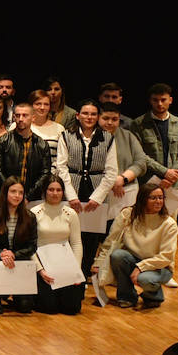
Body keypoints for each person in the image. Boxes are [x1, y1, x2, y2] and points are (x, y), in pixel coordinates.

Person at [97, 180, 178, 308]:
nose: (158, 201)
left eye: (161, 198)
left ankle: (153, 296)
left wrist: (140, 267)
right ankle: (127, 297)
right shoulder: (128, 214)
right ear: (143, 199)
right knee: (117, 256)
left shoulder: (169, 224)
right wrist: (98, 263)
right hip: (133, 259)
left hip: (160, 266)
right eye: (153, 198)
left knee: (145, 279)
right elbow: (111, 240)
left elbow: (166, 257)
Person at [58, 99, 117, 275]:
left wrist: (97, 198)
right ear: (78, 116)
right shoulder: (66, 136)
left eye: (93, 114)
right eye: (85, 113)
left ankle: (83, 275)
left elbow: (112, 172)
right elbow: (61, 167)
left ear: (98, 117)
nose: (89, 117)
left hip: (95, 193)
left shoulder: (107, 138)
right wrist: (71, 196)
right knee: (69, 234)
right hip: (72, 190)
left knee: (91, 238)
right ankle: (68, 274)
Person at [0, 177, 38, 315]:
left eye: (20, 192)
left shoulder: (30, 217)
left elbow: (32, 246)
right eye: (13, 191)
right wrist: (2, 253)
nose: (17, 196)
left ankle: (11, 293)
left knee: (25, 307)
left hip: (19, 260)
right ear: (5, 193)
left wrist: (14, 255)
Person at [32, 175, 85, 315]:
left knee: (72, 309)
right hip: (43, 266)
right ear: (44, 191)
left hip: (65, 265)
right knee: (50, 308)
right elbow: (30, 246)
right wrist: (40, 270)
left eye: (58, 190)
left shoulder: (71, 213)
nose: (55, 193)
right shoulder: (34, 213)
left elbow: (76, 243)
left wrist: (75, 270)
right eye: (51, 189)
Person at [132, 82, 178, 203]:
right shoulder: (139, 123)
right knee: (147, 219)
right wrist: (165, 172)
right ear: (150, 101)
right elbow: (140, 155)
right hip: (149, 182)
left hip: (172, 184)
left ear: (170, 100)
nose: (159, 104)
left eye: (163, 100)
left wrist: (171, 176)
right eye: (155, 100)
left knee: (170, 220)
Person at [0, 102, 55, 202]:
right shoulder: (3, 141)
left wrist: (27, 197)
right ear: (13, 117)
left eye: (25, 115)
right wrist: (12, 192)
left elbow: (45, 173)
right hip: (6, 197)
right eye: (17, 115)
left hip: (32, 199)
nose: (20, 119)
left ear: (33, 118)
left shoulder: (42, 145)